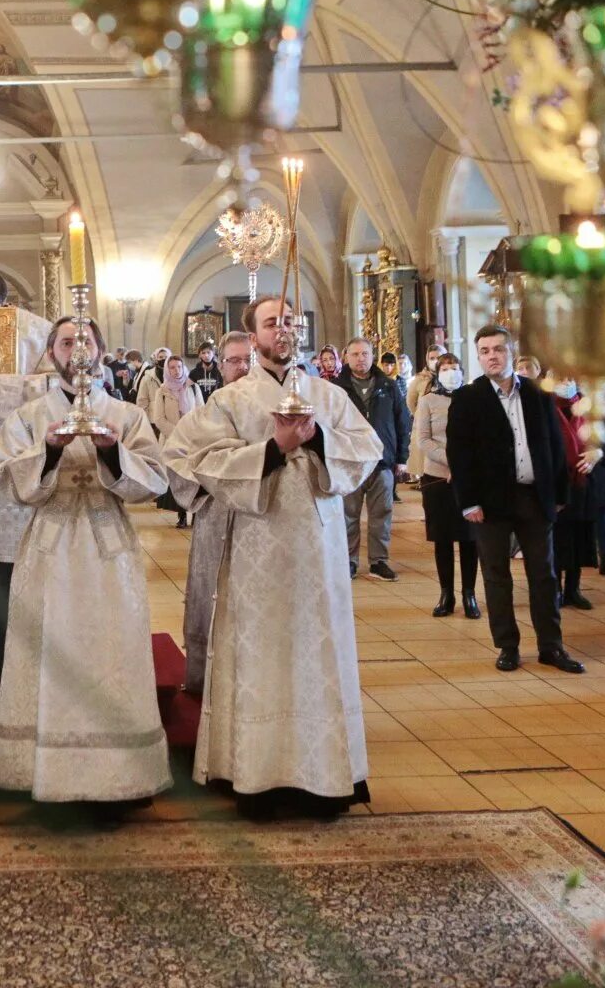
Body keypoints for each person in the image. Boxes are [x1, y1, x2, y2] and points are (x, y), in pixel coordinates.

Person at [162, 296, 383, 818]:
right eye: (270, 322)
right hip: (254, 550)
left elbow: (368, 449)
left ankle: (324, 778)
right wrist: (270, 450)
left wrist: (320, 438)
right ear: (252, 335)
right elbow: (184, 459)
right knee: (257, 653)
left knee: (316, 652)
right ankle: (254, 776)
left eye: (289, 320)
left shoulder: (328, 396)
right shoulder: (230, 402)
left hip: (318, 551)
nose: (281, 329)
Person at [0, 316, 170, 814]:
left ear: (102, 351)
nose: (78, 349)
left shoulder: (128, 416)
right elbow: (9, 481)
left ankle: (118, 776)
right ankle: (49, 771)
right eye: (67, 342)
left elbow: (155, 481)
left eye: (86, 340)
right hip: (50, 547)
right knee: (51, 652)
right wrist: (48, 449)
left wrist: (113, 455)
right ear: (52, 354)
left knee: (111, 654)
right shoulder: (28, 416)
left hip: (109, 548)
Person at [446, 325, 582, 674]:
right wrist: (468, 502)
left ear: (512, 352)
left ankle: (551, 646)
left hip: (535, 497)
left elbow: (555, 445)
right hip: (490, 502)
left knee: (544, 574)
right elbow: (460, 454)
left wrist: (560, 494)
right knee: (496, 575)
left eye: (498, 349)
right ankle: (507, 645)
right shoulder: (468, 398)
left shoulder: (537, 394)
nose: (492, 355)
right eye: (485, 351)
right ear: (478, 357)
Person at [175, 330, 254, 693]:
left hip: (264, 518)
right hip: (217, 515)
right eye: (234, 360)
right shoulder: (204, 414)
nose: (242, 367)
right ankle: (203, 681)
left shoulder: (279, 408)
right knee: (211, 595)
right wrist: (214, 476)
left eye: (247, 359)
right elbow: (176, 461)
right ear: (220, 366)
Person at [331, 338, 411, 582]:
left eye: (365, 354)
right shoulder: (336, 388)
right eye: (355, 354)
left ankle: (379, 561)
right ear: (346, 357)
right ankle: (349, 561)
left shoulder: (388, 385)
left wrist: (402, 458)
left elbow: (402, 421)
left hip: (382, 461)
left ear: (372, 355)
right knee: (348, 515)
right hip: (350, 461)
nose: (360, 358)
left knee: (381, 514)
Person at [415, 353, 479, 619]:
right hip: (437, 477)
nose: (451, 372)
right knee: (442, 537)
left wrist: (463, 466)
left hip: (468, 478)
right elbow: (424, 439)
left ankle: (469, 594)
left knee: (469, 539)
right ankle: (446, 594)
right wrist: (450, 461)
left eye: (455, 368)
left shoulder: (474, 399)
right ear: (437, 372)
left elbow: (480, 436)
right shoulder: (428, 401)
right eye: (445, 368)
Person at [549, 378, 605, 612]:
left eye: (570, 379)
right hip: (557, 483)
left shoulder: (589, 406)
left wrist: (597, 452)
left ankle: (573, 589)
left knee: (580, 536)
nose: (566, 383)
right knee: (558, 538)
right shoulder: (545, 406)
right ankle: (556, 590)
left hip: (584, 482)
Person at [146, 354, 201, 527]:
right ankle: (182, 514)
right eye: (172, 367)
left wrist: (192, 432)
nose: (176, 370)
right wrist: (178, 434)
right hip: (172, 441)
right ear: (167, 370)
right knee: (178, 478)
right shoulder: (161, 391)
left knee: (194, 478)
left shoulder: (193, 388)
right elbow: (159, 419)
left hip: (193, 440)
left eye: (178, 366)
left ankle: (197, 513)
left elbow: (201, 412)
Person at [404, 344, 446, 432]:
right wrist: (421, 417)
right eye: (432, 358)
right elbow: (411, 402)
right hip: (425, 427)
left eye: (438, 357)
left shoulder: (450, 377)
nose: (435, 361)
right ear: (427, 360)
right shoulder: (419, 379)